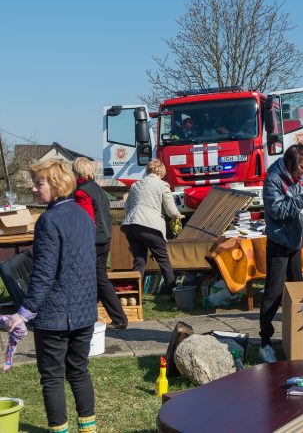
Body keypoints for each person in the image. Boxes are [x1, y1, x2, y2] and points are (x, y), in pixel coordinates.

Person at [3, 159, 97, 432]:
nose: (33, 188)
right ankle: (88, 429)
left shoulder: (48, 220)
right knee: (79, 371)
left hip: (55, 315)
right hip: (84, 312)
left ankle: (61, 430)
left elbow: (43, 274)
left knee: (53, 377)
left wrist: (23, 314)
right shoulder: (83, 215)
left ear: (55, 185)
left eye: (38, 183)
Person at [259, 144, 303, 363]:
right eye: (302, 167)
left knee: (298, 290)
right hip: (279, 243)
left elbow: (300, 208)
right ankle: (265, 341)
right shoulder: (273, 179)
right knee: (273, 293)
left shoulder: (297, 180)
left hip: (295, 243)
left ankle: (298, 336)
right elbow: (278, 211)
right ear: (291, 163)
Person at [73, 157, 128, 330]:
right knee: (97, 278)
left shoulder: (81, 192)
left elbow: (85, 220)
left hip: (93, 240)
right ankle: (87, 315)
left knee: (99, 279)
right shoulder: (98, 189)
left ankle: (119, 319)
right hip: (105, 237)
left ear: (76, 172)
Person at [121, 159, 183, 296]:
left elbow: (127, 207)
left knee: (139, 260)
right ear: (162, 172)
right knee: (163, 260)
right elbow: (171, 211)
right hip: (150, 226)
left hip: (130, 225)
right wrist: (178, 216)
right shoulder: (162, 185)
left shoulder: (135, 185)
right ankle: (173, 292)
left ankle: (133, 294)